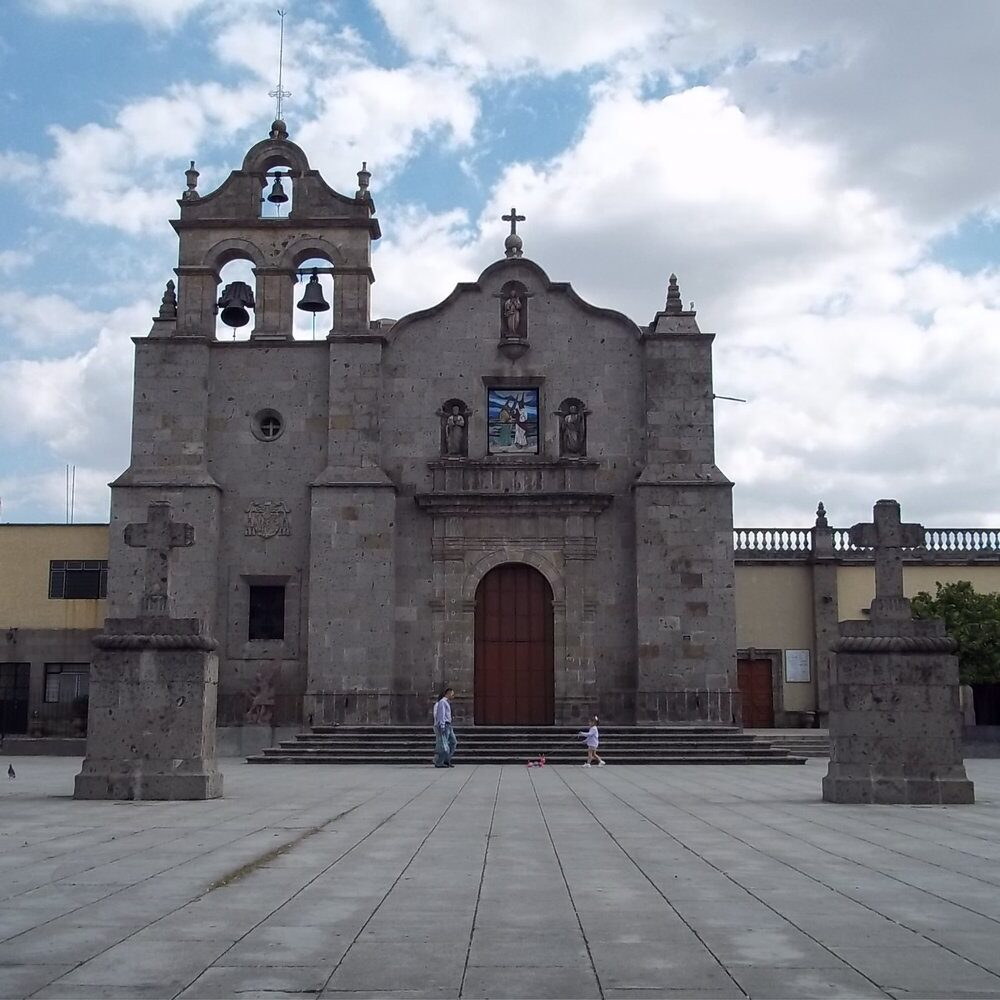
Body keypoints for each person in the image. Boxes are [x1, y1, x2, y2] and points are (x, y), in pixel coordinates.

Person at [433, 687, 457, 767]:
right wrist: (442, 725)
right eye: (452, 694)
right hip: (445, 725)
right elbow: (441, 715)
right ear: (448, 693)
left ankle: (446, 759)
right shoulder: (442, 702)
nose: (453, 696)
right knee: (444, 745)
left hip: (449, 725)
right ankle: (439, 762)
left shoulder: (446, 702)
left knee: (453, 742)